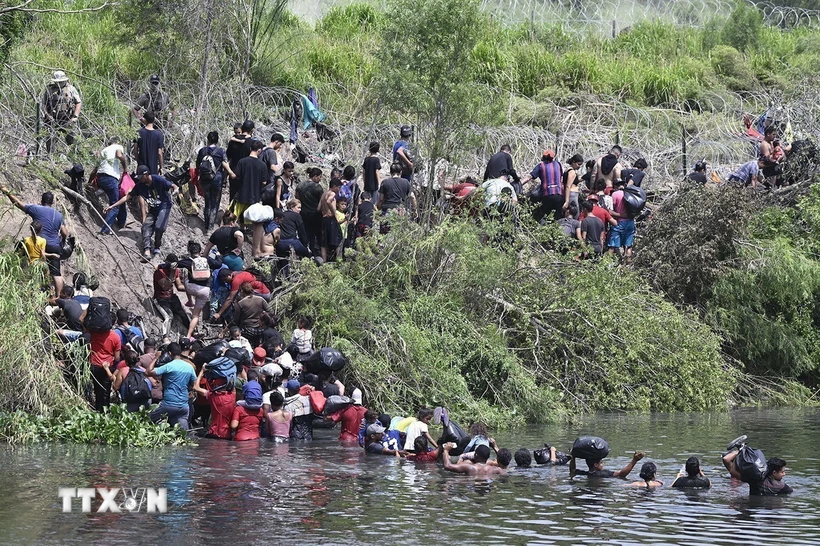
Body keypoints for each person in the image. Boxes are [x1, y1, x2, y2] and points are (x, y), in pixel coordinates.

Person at [2, 188, 69, 296]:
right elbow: (65, 232)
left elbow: (18, 203)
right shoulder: (59, 215)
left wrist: (6, 191)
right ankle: (58, 298)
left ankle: (14, 279)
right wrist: (64, 237)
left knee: (24, 257)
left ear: (42, 200)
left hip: (38, 243)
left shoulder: (36, 209)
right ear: (52, 203)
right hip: (54, 245)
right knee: (56, 273)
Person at [104, 165, 178, 260]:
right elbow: (127, 197)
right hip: (153, 209)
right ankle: (147, 250)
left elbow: (172, 185)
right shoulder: (139, 186)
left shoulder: (158, 180)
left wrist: (175, 189)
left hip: (164, 206)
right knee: (145, 226)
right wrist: (112, 206)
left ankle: (157, 247)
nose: (139, 179)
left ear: (146, 175)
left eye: (141, 177)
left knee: (159, 227)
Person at [146, 343, 196, 430]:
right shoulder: (189, 367)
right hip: (184, 406)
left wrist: (156, 357)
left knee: (147, 420)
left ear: (169, 353)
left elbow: (148, 372)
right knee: (183, 434)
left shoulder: (169, 366)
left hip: (169, 404)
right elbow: (195, 384)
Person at [196, 131, 234, 232]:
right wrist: (225, 179)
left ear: (207, 139)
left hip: (204, 179)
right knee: (215, 203)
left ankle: (206, 225)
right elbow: (225, 165)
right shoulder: (221, 151)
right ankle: (211, 226)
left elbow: (197, 166)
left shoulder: (202, 151)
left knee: (207, 202)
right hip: (217, 179)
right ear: (217, 140)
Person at [722, 446, 793, 495]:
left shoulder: (754, 479)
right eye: (782, 472)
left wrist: (739, 453)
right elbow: (791, 492)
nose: (784, 474)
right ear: (774, 472)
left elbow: (728, 463)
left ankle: (741, 449)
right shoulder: (780, 486)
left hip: (750, 504)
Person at [40, 70, 81, 152]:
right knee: (51, 142)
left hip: (68, 120)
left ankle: (76, 159)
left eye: (60, 82)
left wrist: (75, 116)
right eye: (57, 82)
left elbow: (78, 102)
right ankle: (51, 160)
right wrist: (47, 115)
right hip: (53, 120)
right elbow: (43, 104)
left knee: (73, 141)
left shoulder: (71, 89)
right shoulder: (49, 90)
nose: (58, 84)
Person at [95, 137, 129, 234]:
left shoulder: (104, 150)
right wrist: (125, 167)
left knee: (119, 200)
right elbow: (119, 155)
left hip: (101, 177)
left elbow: (97, 165)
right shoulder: (117, 146)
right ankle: (105, 230)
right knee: (115, 205)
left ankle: (122, 222)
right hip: (111, 178)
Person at [192, 366, 236, 439]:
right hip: (227, 435)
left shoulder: (212, 396)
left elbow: (196, 387)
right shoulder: (233, 395)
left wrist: (202, 372)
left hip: (214, 433)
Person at [178, 241, 211, 339]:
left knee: (185, 277)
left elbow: (175, 264)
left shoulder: (189, 261)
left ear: (189, 251)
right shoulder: (206, 260)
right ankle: (192, 334)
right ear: (200, 251)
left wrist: (161, 265)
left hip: (192, 288)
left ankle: (190, 300)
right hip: (205, 290)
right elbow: (218, 264)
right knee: (196, 315)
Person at [153, 253, 190, 334]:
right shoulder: (159, 272)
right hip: (160, 298)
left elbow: (179, 286)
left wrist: (191, 289)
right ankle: (165, 337)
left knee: (182, 313)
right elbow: (165, 287)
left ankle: (193, 332)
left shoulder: (176, 270)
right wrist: (172, 273)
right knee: (169, 317)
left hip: (171, 297)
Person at [89, 326, 122, 412]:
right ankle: (104, 411)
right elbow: (117, 358)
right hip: (108, 366)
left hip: (94, 365)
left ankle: (97, 408)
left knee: (97, 389)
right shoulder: (115, 337)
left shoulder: (93, 333)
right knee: (105, 392)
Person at [232, 139, 267, 222]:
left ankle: (230, 231)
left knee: (233, 217)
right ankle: (245, 232)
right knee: (249, 219)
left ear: (250, 149)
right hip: (254, 197)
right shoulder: (263, 165)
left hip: (241, 194)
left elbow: (235, 176)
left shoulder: (242, 161)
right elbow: (264, 182)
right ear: (259, 150)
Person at [295, 168, 325, 255]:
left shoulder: (300, 185)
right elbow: (321, 201)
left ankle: (305, 251)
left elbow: (297, 198)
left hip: (304, 213)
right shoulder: (317, 187)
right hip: (315, 214)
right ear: (315, 176)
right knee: (316, 234)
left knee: (306, 233)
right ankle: (315, 251)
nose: (320, 179)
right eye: (319, 177)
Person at [529, 149, 564, 223]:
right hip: (559, 195)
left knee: (544, 216)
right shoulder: (558, 165)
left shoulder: (541, 166)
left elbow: (530, 177)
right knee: (556, 218)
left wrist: (519, 182)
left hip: (547, 195)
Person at [608, 179, 636, 263]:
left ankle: (606, 265)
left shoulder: (615, 194)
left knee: (612, 245)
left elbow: (610, 211)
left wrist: (619, 215)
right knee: (628, 245)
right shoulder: (630, 193)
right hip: (630, 223)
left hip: (619, 223)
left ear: (615, 186)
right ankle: (628, 265)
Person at [233, 281, 268, 348]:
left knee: (247, 347)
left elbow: (236, 320)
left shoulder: (240, 303)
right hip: (260, 329)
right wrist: (263, 320)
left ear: (242, 291)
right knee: (258, 347)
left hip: (247, 330)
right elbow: (270, 312)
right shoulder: (260, 299)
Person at [570, 451, 645, 479]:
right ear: (596, 465)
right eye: (601, 462)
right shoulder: (603, 473)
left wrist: (573, 457)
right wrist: (634, 461)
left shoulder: (585, 474)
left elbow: (572, 470)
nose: (603, 464)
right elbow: (622, 474)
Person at [319, 178, 343, 262]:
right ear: (334, 186)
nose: (339, 189)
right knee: (338, 240)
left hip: (324, 218)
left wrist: (324, 211)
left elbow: (318, 208)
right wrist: (334, 213)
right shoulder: (332, 193)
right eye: (339, 187)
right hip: (331, 219)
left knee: (324, 243)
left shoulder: (324, 194)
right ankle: (339, 260)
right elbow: (329, 201)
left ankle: (324, 261)